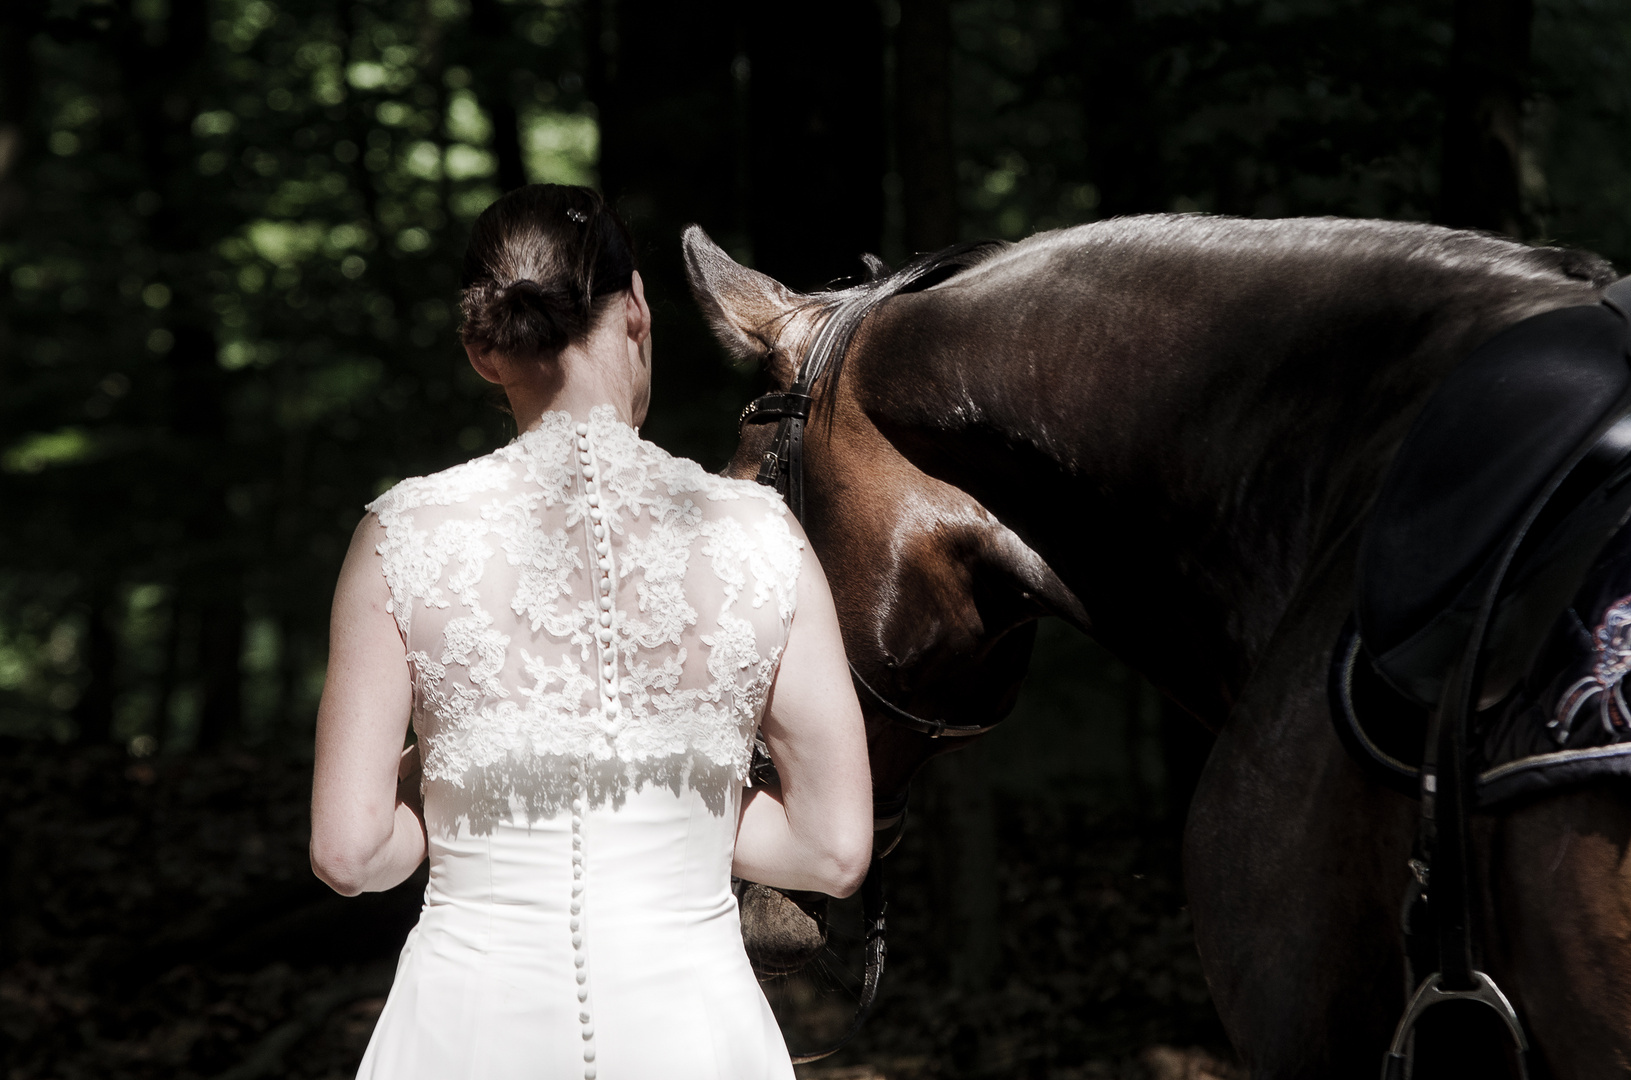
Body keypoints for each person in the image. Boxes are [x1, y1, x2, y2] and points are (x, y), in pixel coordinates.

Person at [308, 184, 873, 1080]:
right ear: (639, 308)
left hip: (463, 1031)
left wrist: (446, 791)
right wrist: (671, 814)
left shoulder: (402, 536)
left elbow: (350, 853)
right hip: (694, 1034)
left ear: (482, 351)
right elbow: (833, 851)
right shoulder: (757, 536)